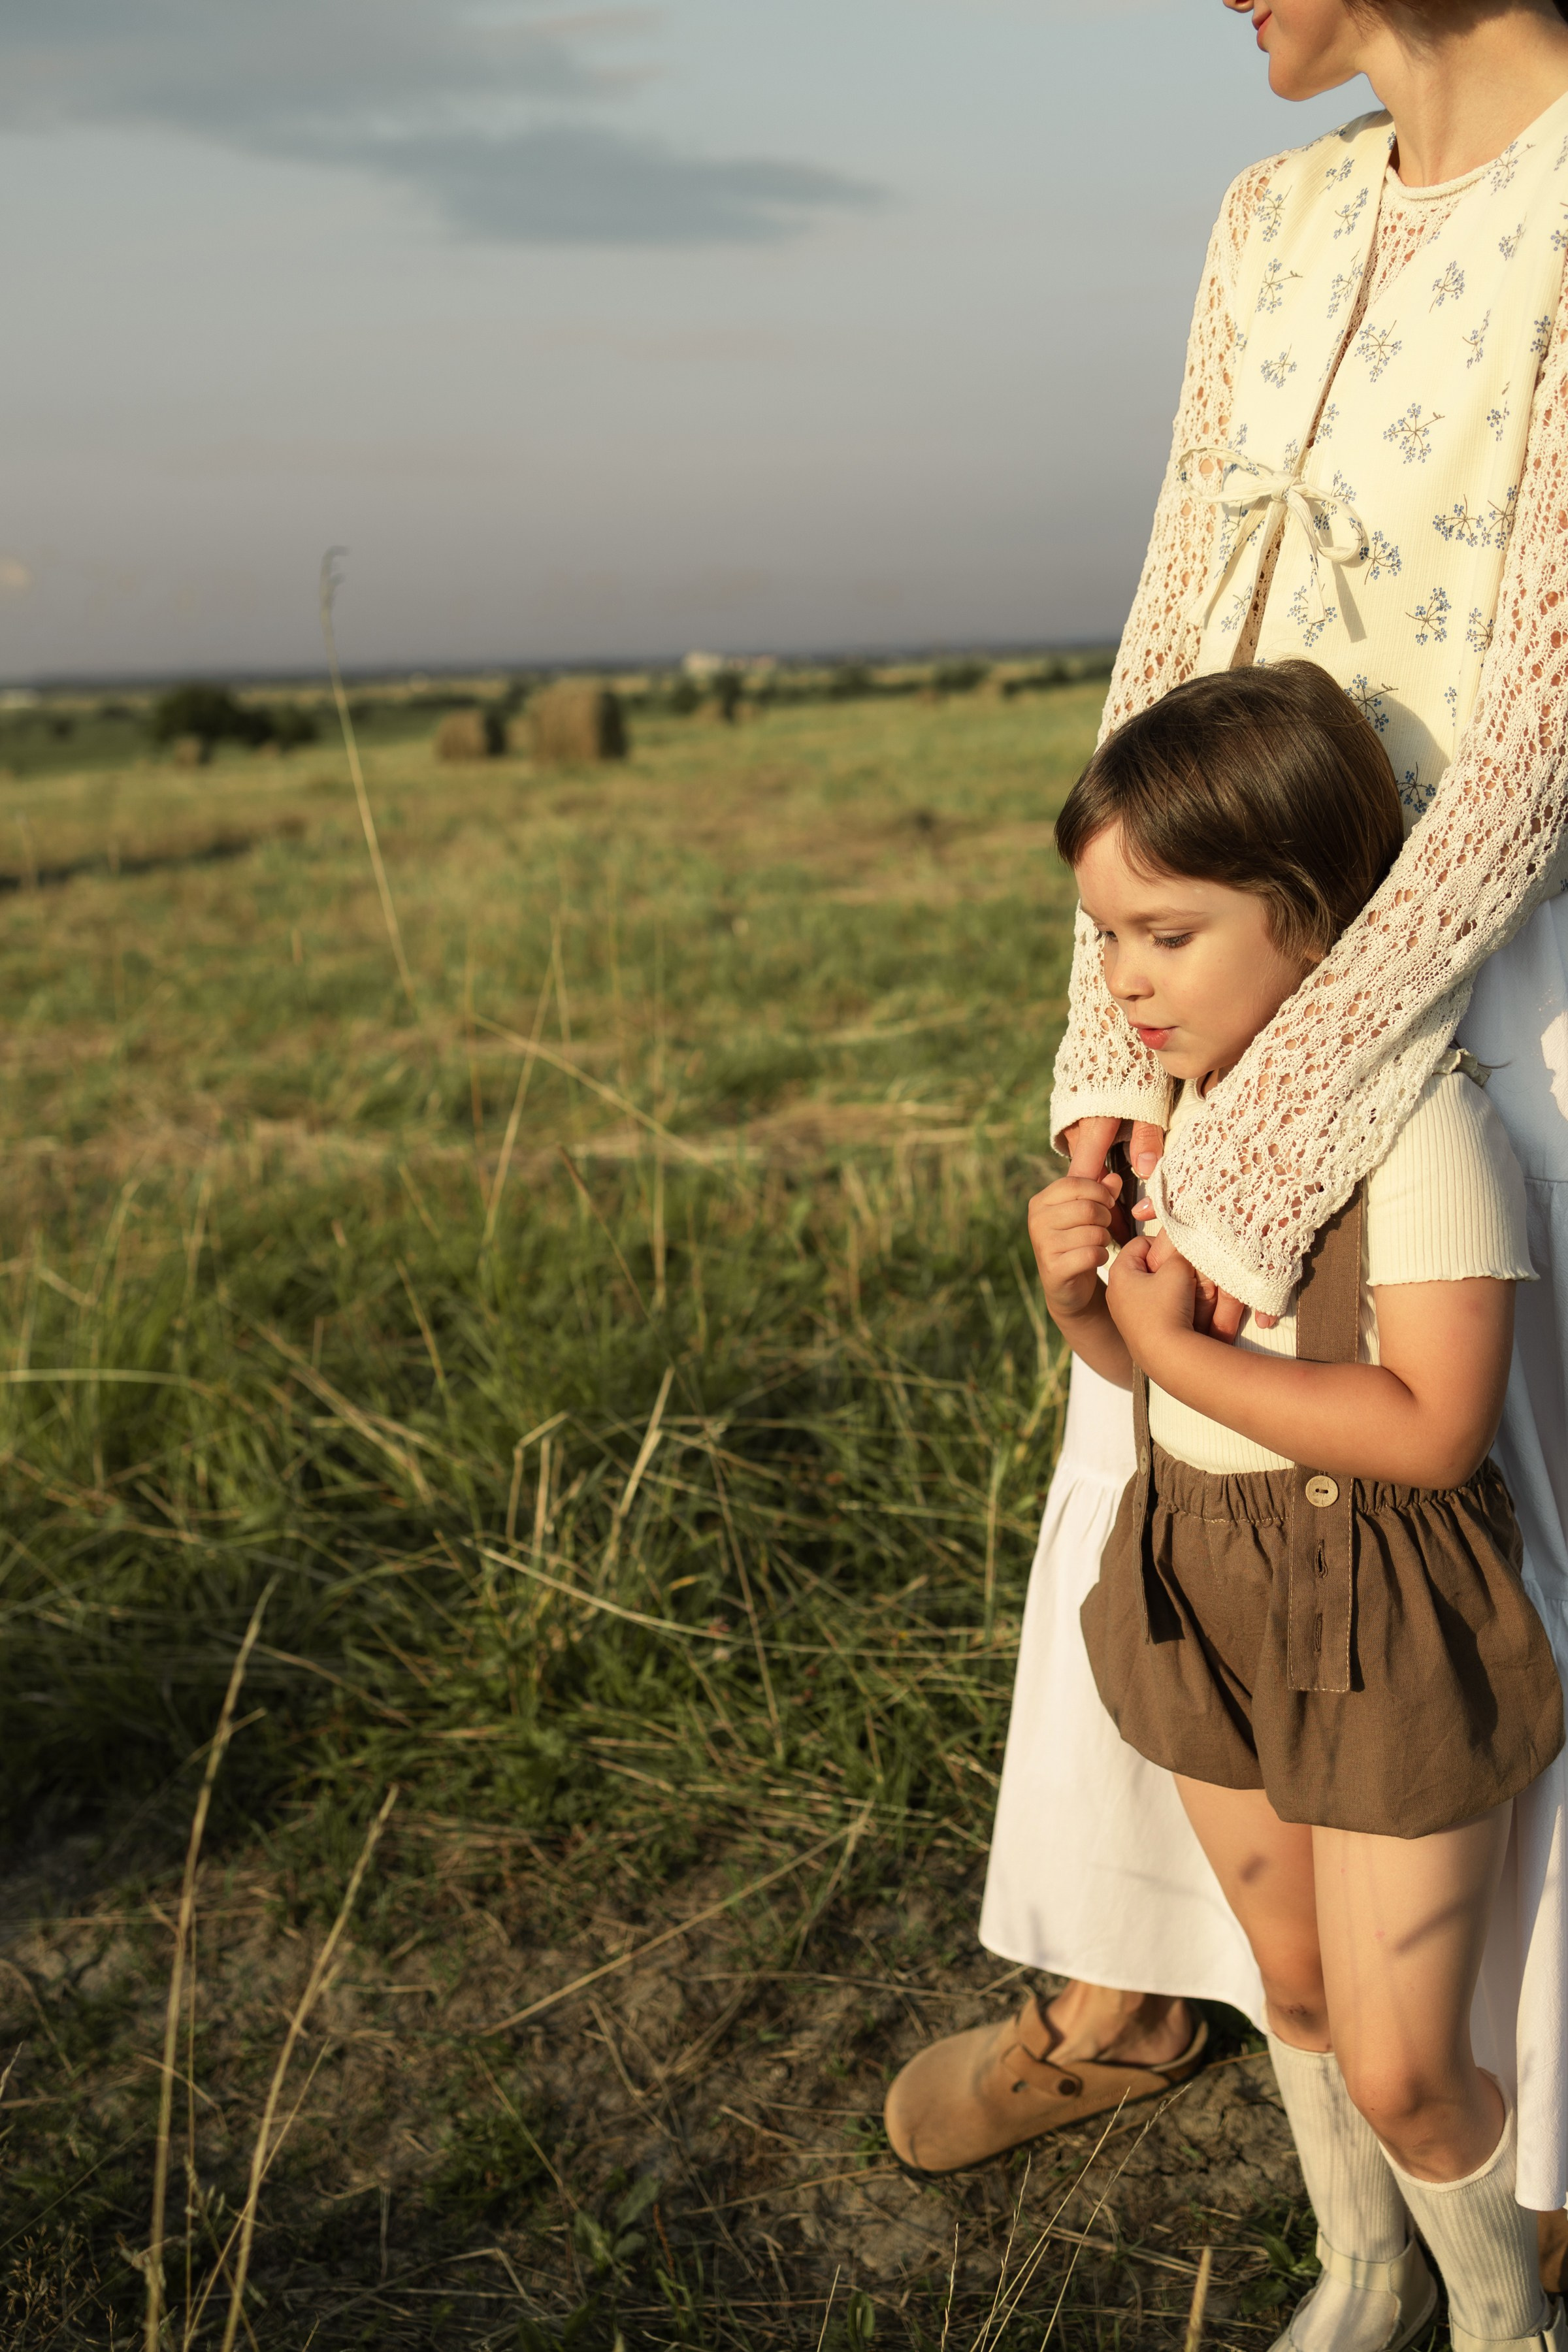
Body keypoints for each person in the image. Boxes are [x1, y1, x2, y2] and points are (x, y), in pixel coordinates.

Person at [885, 0, 1568, 2221]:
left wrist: (1282, 1136)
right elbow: (1175, 607)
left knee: (1483, 1525)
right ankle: (1139, 1983)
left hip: (1501, 947)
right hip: (1226, 954)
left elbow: (1545, 731)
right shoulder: (1268, 216)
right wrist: (1120, 1058)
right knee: (1165, 1469)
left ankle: (1518, 2112)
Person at [1051, 659, 1562, 2352]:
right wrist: (1080, 1306)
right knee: (1296, 1986)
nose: (1122, 982)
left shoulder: (1420, 1130)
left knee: (1410, 2058)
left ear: (1307, 915)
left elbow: (1429, 1429)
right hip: (1209, 1585)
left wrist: (1165, 1352)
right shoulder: (1179, 1119)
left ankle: (1503, 2323)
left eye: (1165, 934)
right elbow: (1151, 1372)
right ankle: (1364, 2272)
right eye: (1106, 937)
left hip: (1383, 1623)